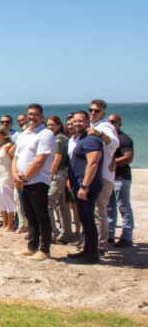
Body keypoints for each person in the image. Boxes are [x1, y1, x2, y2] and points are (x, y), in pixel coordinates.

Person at [13, 104, 56, 260]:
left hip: (38, 181)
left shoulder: (46, 134)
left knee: (41, 216)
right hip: (22, 181)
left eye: (35, 114)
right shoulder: (24, 134)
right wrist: (15, 175)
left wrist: (24, 178)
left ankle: (44, 250)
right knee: (30, 215)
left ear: (42, 116)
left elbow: (40, 160)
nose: (32, 117)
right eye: (30, 114)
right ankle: (31, 246)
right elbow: (16, 156)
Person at [66, 111, 104, 264]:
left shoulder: (92, 140)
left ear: (88, 122)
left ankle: (92, 254)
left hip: (87, 186)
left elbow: (93, 163)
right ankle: (87, 250)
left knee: (88, 220)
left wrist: (85, 185)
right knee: (84, 219)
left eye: (81, 121)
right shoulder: (82, 139)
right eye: (74, 121)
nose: (77, 124)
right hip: (79, 185)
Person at [88, 99, 119, 255]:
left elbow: (114, 143)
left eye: (97, 111)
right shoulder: (94, 126)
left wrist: (100, 134)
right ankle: (94, 241)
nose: (93, 113)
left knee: (100, 210)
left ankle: (101, 244)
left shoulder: (105, 126)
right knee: (93, 210)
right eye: (91, 110)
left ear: (103, 113)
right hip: (94, 174)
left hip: (103, 174)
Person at [107, 114, 134, 248]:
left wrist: (113, 162)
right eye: (109, 121)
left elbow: (129, 157)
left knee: (123, 207)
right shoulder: (109, 139)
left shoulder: (124, 139)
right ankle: (110, 235)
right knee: (109, 207)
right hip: (110, 177)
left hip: (121, 178)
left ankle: (127, 236)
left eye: (114, 121)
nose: (111, 123)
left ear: (119, 123)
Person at [46, 115, 73, 243]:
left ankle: (52, 232)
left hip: (58, 173)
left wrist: (49, 174)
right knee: (61, 205)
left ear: (59, 125)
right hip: (62, 173)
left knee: (48, 203)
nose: (50, 127)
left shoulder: (59, 139)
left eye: (53, 124)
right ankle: (67, 233)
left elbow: (57, 158)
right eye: (49, 124)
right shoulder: (59, 138)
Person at [0, 126, 16, 231]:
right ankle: (4, 223)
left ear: (3, 134)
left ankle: (10, 224)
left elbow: (13, 160)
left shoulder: (8, 146)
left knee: (7, 198)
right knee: (0, 198)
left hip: (6, 174)